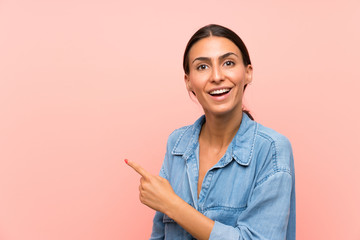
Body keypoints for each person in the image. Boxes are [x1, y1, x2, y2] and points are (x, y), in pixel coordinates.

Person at [125, 24, 296, 240]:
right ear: (188, 81)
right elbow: (160, 235)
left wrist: (171, 204)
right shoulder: (177, 144)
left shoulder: (271, 149)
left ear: (248, 72)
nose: (216, 76)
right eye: (202, 67)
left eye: (228, 63)